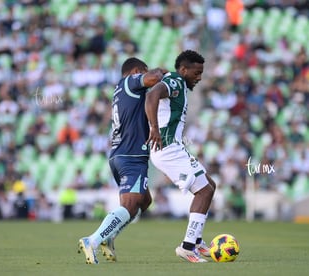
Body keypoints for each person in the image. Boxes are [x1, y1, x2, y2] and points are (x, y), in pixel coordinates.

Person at [78, 57, 166, 264]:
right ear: (136, 71)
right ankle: (92, 240)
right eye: (142, 72)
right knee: (129, 205)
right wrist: (161, 71)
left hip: (121, 154)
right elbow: (154, 77)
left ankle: (108, 238)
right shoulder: (130, 81)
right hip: (131, 155)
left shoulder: (121, 90)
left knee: (144, 202)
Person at [145, 50, 216, 263]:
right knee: (203, 191)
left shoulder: (178, 83)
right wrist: (154, 128)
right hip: (166, 147)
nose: (199, 77)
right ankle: (187, 246)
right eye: (196, 72)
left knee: (209, 186)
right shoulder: (176, 81)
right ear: (183, 70)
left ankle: (196, 242)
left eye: (201, 73)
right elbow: (152, 95)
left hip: (173, 148)